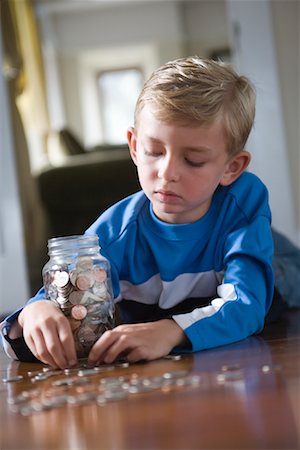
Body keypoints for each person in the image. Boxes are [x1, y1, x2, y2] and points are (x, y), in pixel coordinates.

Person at [1, 56, 274, 369]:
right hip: (172, 302)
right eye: (154, 152)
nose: (167, 172)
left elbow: (248, 304)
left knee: (284, 277)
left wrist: (172, 331)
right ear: (133, 146)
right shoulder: (113, 233)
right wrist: (34, 312)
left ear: (231, 168)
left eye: (194, 160)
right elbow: (60, 296)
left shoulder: (244, 200)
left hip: (264, 265)